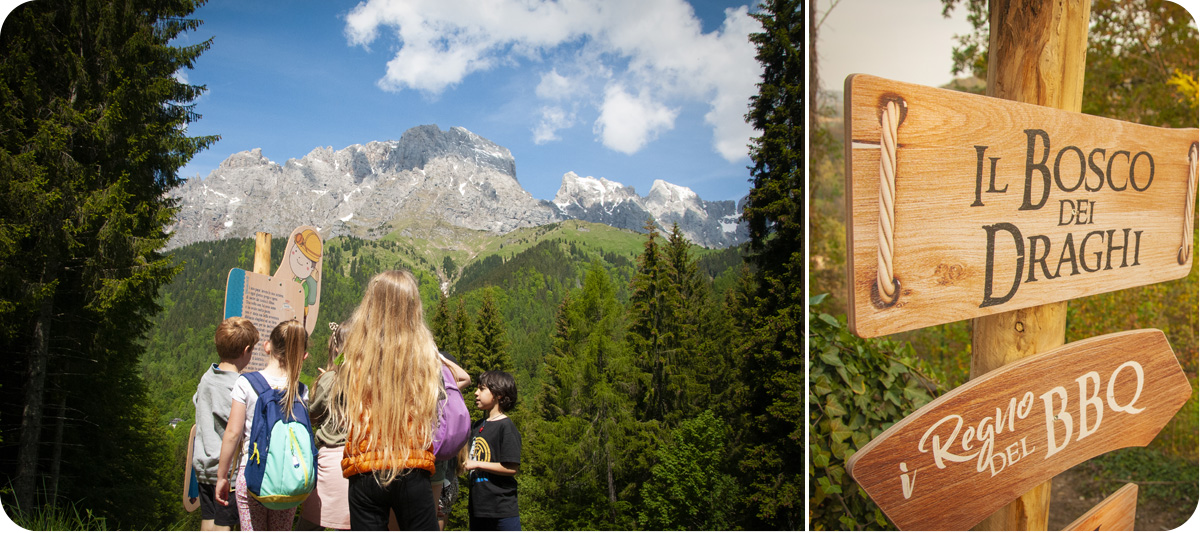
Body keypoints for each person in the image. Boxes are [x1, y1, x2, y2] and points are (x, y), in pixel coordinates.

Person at [331, 270, 448, 530]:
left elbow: (337, 383)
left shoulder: (354, 352)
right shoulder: (426, 354)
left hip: (364, 466)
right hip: (412, 463)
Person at [214, 319, 310, 530]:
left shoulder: (246, 383)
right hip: (288, 482)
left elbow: (232, 433)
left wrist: (222, 476)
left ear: (267, 346)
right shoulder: (302, 391)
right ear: (303, 355)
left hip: (252, 477)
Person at [192, 317, 258, 531]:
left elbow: (197, 402)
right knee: (225, 525)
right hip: (227, 471)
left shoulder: (206, 378)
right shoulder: (239, 387)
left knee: (209, 519)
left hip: (203, 466)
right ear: (246, 351)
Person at [296, 320, 354, 530]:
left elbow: (310, 415)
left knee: (309, 526)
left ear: (337, 348)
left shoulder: (330, 379)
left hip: (330, 464)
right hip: (360, 462)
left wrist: (322, 382)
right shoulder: (368, 380)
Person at [465, 370, 522, 531]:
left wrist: (477, 464)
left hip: (502, 510)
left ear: (499, 395)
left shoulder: (506, 427)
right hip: (477, 509)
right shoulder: (477, 426)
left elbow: (511, 468)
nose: (476, 393)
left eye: (482, 389)